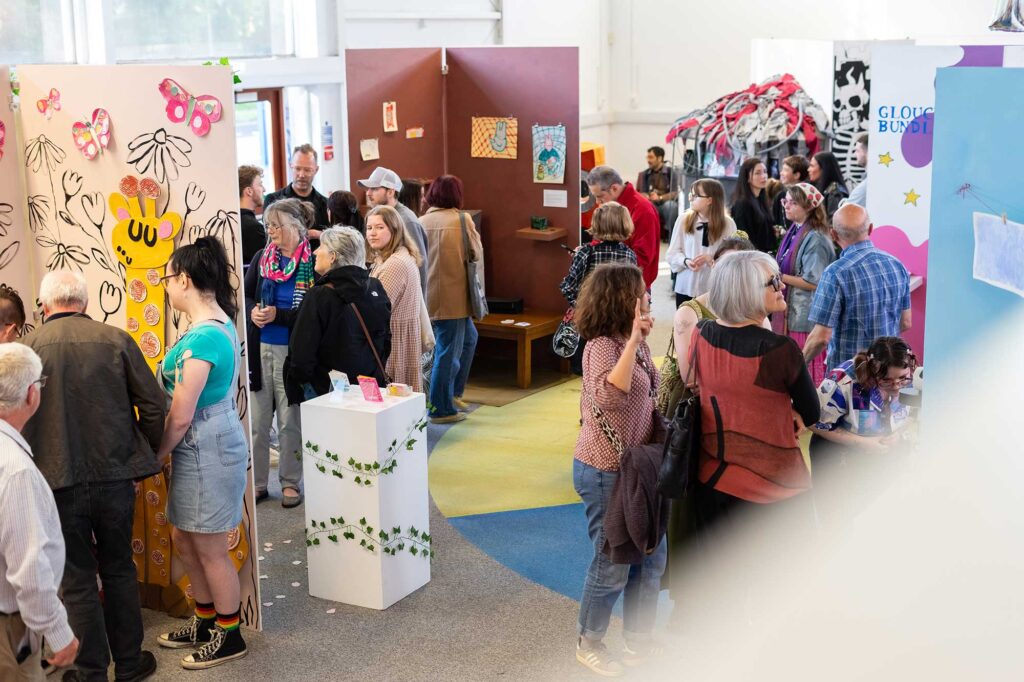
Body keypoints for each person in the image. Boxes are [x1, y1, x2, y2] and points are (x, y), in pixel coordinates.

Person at [21, 271, 164, 682]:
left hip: (54, 481)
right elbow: (153, 408)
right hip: (116, 475)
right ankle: (131, 662)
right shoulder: (117, 340)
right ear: (84, 303)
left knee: (77, 577)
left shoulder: (24, 350)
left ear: (44, 306)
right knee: (120, 567)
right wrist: (145, 457)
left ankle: (90, 672)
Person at [155, 238, 249, 670]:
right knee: (185, 538)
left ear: (186, 280)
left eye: (169, 278)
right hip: (199, 446)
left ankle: (230, 636)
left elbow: (180, 415)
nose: (167, 286)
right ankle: (206, 620)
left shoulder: (207, 335)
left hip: (205, 446)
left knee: (209, 547)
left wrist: (158, 454)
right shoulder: (206, 327)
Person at [673, 250, 819, 520]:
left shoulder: (702, 333)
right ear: (747, 292)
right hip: (775, 488)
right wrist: (791, 410)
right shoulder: (780, 350)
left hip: (713, 479)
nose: (782, 286)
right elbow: (811, 413)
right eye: (773, 282)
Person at [572, 262, 665, 677]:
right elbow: (610, 396)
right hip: (606, 469)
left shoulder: (636, 342)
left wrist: (638, 340)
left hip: (640, 468)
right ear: (623, 299)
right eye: (641, 291)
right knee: (613, 562)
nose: (647, 296)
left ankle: (638, 640)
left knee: (651, 559)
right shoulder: (600, 347)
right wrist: (631, 342)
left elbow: (651, 391)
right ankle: (588, 641)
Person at [0, 344, 79, 681]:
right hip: (10, 625)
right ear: (32, 394)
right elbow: (29, 568)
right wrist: (59, 634)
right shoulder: (15, 470)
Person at [244, 198, 314, 507]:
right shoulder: (263, 257)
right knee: (258, 423)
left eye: (277, 225)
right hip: (261, 348)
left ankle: (290, 482)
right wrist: (253, 314)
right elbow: (246, 296)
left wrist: (278, 316)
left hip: (293, 350)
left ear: (297, 227)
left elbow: (313, 315)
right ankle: (258, 483)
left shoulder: (312, 263)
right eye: (268, 224)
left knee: (290, 421)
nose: (271, 230)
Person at [810, 337, 917, 526]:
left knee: (880, 521)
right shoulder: (843, 381)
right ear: (873, 371)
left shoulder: (914, 378)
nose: (896, 386)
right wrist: (863, 443)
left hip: (881, 461)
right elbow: (814, 422)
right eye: (887, 381)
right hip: (837, 460)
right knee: (838, 522)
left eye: (902, 378)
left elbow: (911, 415)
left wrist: (898, 434)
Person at [285, 227, 391, 402]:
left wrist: (302, 382)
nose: (315, 252)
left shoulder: (319, 295)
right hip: (369, 386)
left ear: (333, 256)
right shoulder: (375, 287)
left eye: (321, 247)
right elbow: (385, 340)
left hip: (327, 391)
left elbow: (302, 351)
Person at [803, 204, 911, 372]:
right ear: (870, 228)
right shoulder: (897, 264)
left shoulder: (835, 273)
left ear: (833, 234)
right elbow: (905, 322)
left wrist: (797, 368)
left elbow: (821, 338)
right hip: (889, 373)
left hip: (851, 377)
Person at [421, 175, 483, 424]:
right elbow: (475, 253)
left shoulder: (420, 221)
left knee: (468, 339)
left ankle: (452, 394)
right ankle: (440, 408)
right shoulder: (462, 219)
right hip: (454, 296)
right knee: (448, 351)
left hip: (428, 297)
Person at [559, 201, 638, 376]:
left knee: (587, 369)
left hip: (591, 321)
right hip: (620, 320)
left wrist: (581, 306)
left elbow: (568, 286)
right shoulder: (630, 255)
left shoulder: (586, 253)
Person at [774, 183, 837, 385]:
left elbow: (813, 282)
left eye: (793, 203)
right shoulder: (797, 230)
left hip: (804, 317)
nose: (786, 206)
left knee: (804, 374)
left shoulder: (816, 238)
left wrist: (776, 276)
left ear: (809, 207)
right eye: (786, 201)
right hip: (795, 312)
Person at [365, 205, 424, 391]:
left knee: (394, 403)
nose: (372, 233)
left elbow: (376, 309)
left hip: (394, 342)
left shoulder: (395, 264)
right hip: (395, 337)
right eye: (369, 228)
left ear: (395, 229)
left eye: (380, 227)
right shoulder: (389, 257)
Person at [586, 166, 660, 290]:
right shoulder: (609, 205)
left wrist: (603, 259)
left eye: (600, 196)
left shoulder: (643, 210)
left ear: (614, 188)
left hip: (631, 283)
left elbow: (642, 258)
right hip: (608, 278)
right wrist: (588, 252)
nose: (598, 202)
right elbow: (600, 238)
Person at [358, 167, 428, 297]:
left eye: (374, 188)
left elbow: (419, 266)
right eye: (368, 189)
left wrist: (419, 305)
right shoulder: (383, 216)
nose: (368, 193)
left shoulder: (406, 220)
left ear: (390, 192)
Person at [666, 179, 737, 306]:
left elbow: (733, 258)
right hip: (686, 286)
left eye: (695, 196)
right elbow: (673, 253)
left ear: (710, 200)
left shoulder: (728, 224)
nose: (691, 199)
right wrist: (686, 261)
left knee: (711, 324)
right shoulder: (684, 219)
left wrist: (712, 260)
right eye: (690, 195)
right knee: (685, 323)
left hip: (712, 289)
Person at [264, 144, 330, 246]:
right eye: (297, 169)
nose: (301, 175)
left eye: (307, 170)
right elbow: (269, 238)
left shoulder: (326, 204)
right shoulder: (273, 200)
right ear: (291, 166)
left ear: (316, 170)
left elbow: (334, 241)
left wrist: (319, 234)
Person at [729, 158, 774, 253]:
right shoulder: (743, 203)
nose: (764, 176)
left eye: (765, 172)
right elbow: (743, 238)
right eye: (758, 173)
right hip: (752, 257)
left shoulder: (761, 199)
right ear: (748, 177)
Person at [636, 146, 678, 240]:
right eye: (647, 157)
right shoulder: (644, 174)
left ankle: (670, 236)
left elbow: (675, 192)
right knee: (645, 206)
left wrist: (660, 198)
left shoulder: (671, 172)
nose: (648, 160)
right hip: (652, 204)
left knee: (670, 206)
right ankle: (648, 237)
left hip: (665, 203)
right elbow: (641, 192)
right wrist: (646, 196)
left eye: (651, 157)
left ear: (660, 158)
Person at [808, 151, 849, 221]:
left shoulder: (835, 193)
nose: (808, 169)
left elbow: (833, 223)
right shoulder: (820, 188)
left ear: (824, 168)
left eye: (812, 166)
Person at [238, 165, 266, 265]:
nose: (264, 189)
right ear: (249, 191)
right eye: (260, 185)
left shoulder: (233, 221)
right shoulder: (253, 228)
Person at [771, 155, 809, 228]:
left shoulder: (808, 196)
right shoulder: (780, 195)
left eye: (785, 170)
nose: (781, 173)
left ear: (796, 175)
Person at [845, 134, 869, 208]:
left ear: (867, 153)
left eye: (857, 151)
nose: (854, 154)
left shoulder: (867, 185)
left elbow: (846, 211)